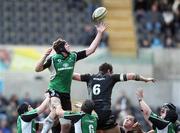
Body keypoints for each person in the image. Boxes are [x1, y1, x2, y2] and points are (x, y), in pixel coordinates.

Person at [35, 22, 107, 133]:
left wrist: (99, 33)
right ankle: (38, 126)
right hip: (53, 91)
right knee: (58, 111)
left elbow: (91, 50)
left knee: (66, 126)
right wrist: (44, 56)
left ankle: (37, 126)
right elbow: (37, 69)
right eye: (66, 45)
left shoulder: (73, 56)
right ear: (61, 49)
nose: (69, 46)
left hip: (66, 94)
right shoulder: (53, 59)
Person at [73, 62, 155, 133]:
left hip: (93, 115)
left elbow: (75, 76)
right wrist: (145, 79)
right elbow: (132, 76)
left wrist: (62, 72)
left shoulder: (89, 77)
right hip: (105, 115)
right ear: (109, 71)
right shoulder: (111, 77)